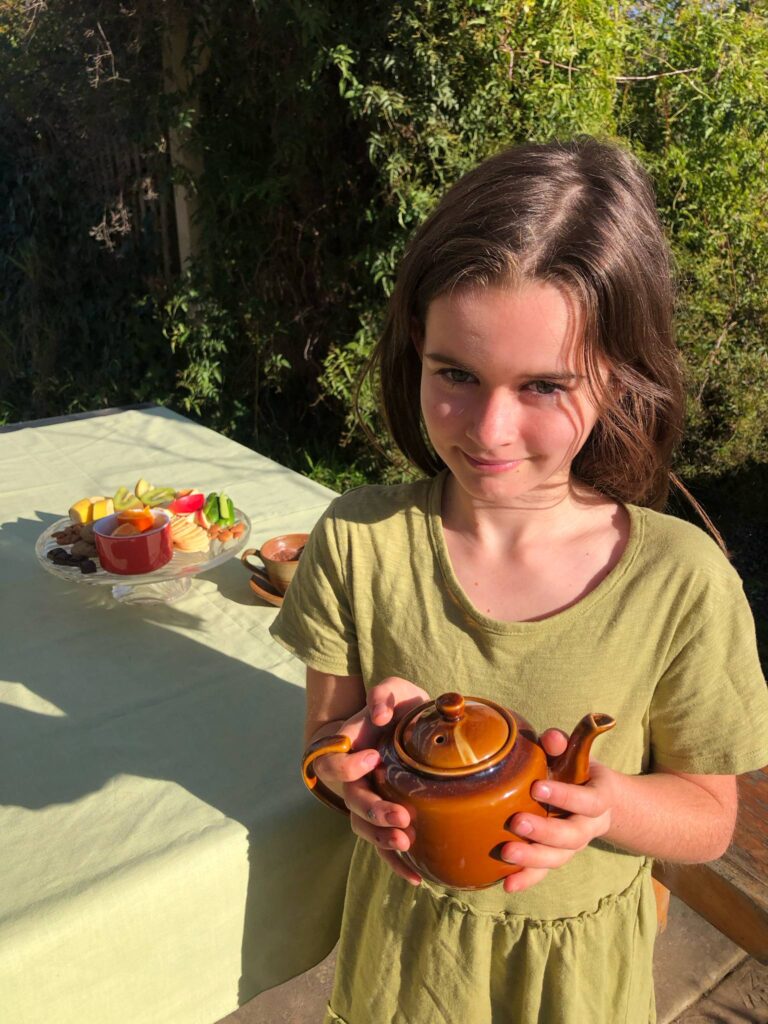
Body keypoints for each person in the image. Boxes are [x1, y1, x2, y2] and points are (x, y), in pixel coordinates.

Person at [269, 136, 768, 1024]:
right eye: (455, 374)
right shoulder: (355, 542)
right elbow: (324, 744)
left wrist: (607, 804)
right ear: (415, 348)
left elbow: (708, 816)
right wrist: (352, 773)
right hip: (404, 968)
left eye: (543, 386)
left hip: (578, 983)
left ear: (617, 377)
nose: (490, 430)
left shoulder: (682, 582)